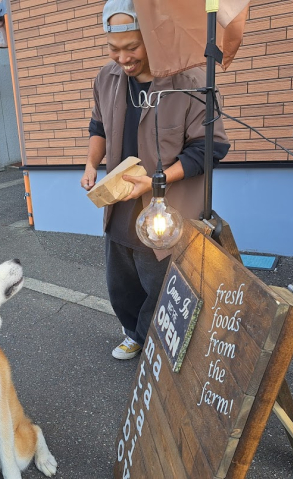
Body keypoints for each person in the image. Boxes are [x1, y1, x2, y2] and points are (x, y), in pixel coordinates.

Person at [81, 0, 230, 360]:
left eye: (132, 47)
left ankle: (162, 351)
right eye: (114, 49)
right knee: (122, 285)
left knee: (162, 286)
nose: (123, 57)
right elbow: (98, 126)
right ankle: (134, 334)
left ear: (152, 36)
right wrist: (90, 164)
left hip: (167, 209)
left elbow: (210, 149)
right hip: (120, 202)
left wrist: (157, 181)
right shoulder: (107, 77)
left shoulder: (189, 79)